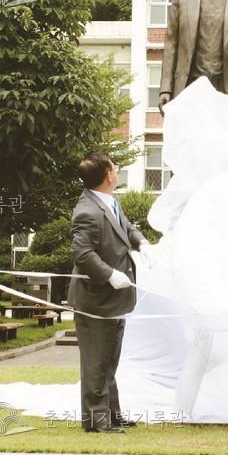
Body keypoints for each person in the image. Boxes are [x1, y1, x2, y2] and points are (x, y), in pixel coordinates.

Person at [68, 153, 149, 432]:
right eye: (114, 168)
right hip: (95, 299)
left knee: (109, 361)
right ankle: (96, 419)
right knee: (96, 361)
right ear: (108, 176)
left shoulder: (110, 202)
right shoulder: (87, 211)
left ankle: (111, 414)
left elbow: (126, 227)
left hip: (114, 300)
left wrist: (142, 243)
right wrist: (109, 274)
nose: (117, 171)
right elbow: (82, 253)